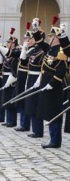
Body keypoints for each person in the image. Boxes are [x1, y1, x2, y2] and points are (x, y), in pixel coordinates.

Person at [32, 16, 67, 148]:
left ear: (56, 38)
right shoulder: (50, 49)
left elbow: (61, 70)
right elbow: (40, 43)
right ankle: (53, 138)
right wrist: (35, 30)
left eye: (51, 36)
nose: (48, 38)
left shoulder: (61, 51)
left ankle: (55, 140)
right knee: (48, 111)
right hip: (46, 83)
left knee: (54, 113)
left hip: (55, 86)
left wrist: (51, 84)